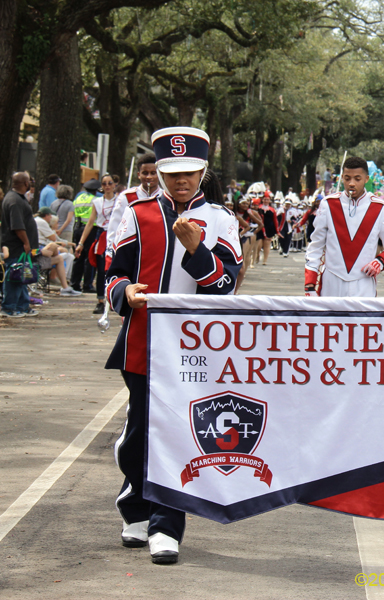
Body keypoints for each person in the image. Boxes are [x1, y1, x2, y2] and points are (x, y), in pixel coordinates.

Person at [105, 126, 242, 565]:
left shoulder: (221, 220)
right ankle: (135, 509)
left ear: (202, 171)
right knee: (139, 434)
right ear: (160, 173)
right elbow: (114, 272)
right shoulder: (136, 212)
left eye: (189, 173)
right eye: (172, 173)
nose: (181, 181)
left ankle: (167, 526)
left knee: (179, 435)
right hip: (142, 341)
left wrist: (198, 251)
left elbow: (224, 287)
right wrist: (122, 292)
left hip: (194, 348)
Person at [304, 157, 384, 297]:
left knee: (363, 320)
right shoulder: (328, 204)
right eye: (347, 178)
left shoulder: (380, 208)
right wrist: (309, 284)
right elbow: (316, 246)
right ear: (342, 178)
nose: (351, 183)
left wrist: (380, 261)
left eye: (357, 179)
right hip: (331, 283)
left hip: (363, 283)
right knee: (331, 320)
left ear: (366, 179)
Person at [75, 174, 118, 314]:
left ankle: (114, 298)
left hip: (116, 234)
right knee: (101, 268)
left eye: (109, 183)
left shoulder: (120, 201)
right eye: (104, 183)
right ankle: (100, 300)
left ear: (114, 185)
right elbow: (90, 223)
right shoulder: (97, 202)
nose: (107, 186)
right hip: (102, 235)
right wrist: (81, 243)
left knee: (115, 267)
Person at [1, 172, 40, 318]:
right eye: (30, 181)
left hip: (21, 247)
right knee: (14, 276)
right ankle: (8, 307)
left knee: (22, 275)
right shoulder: (14, 201)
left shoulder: (18, 198)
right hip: (16, 246)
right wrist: (26, 242)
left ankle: (22, 306)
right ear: (25, 183)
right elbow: (17, 226)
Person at [107, 155, 161, 253]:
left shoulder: (166, 197)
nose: (149, 177)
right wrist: (110, 251)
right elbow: (114, 225)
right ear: (138, 174)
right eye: (145, 173)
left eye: (153, 173)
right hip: (131, 249)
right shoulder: (126, 197)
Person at [34, 207, 80, 296]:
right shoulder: (41, 222)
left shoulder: (37, 221)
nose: (51, 218)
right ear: (46, 215)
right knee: (54, 246)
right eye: (50, 216)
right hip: (37, 255)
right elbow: (53, 238)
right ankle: (62, 284)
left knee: (59, 258)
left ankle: (65, 288)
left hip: (41, 253)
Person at [70, 179, 101, 293]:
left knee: (78, 256)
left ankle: (75, 283)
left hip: (77, 227)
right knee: (89, 257)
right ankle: (87, 285)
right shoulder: (95, 200)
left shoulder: (78, 199)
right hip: (90, 229)